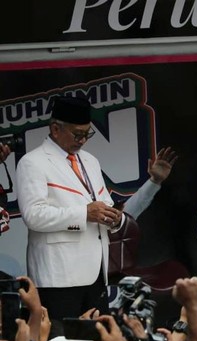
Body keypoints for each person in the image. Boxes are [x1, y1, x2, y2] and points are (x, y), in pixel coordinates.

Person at [16, 96, 123, 321]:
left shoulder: (91, 161)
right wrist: (85, 213)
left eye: (87, 134)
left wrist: (114, 217)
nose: (83, 140)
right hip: (59, 275)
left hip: (97, 271)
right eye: (78, 134)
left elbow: (103, 202)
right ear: (55, 129)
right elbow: (33, 215)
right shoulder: (32, 162)